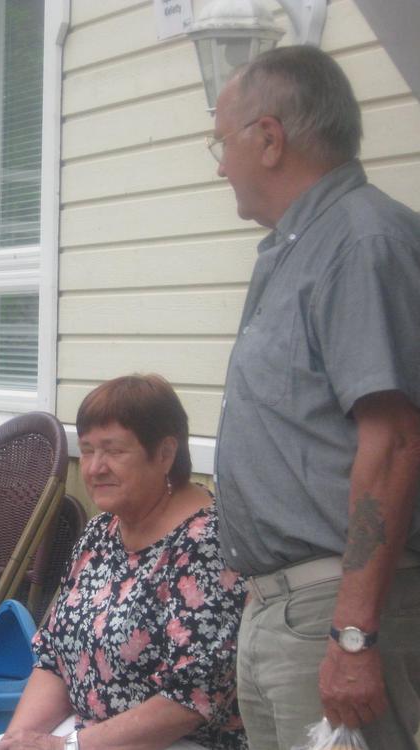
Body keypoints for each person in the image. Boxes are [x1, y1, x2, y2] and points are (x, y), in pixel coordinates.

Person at [211, 45, 420, 750]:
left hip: (336, 611)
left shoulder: (361, 242)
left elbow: (395, 441)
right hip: (284, 611)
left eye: (222, 142)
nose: (220, 166)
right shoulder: (300, 247)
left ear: (269, 139)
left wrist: (353, 634)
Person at [0, 375, 247, 750]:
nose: (94, 468)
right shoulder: (100, 532)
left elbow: (191, 700)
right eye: (87, 451)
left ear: (165, 454)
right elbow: (55, 658)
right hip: (86, 734)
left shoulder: (208, 544)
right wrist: (16, 741)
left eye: (114, 451)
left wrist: (67, 747)